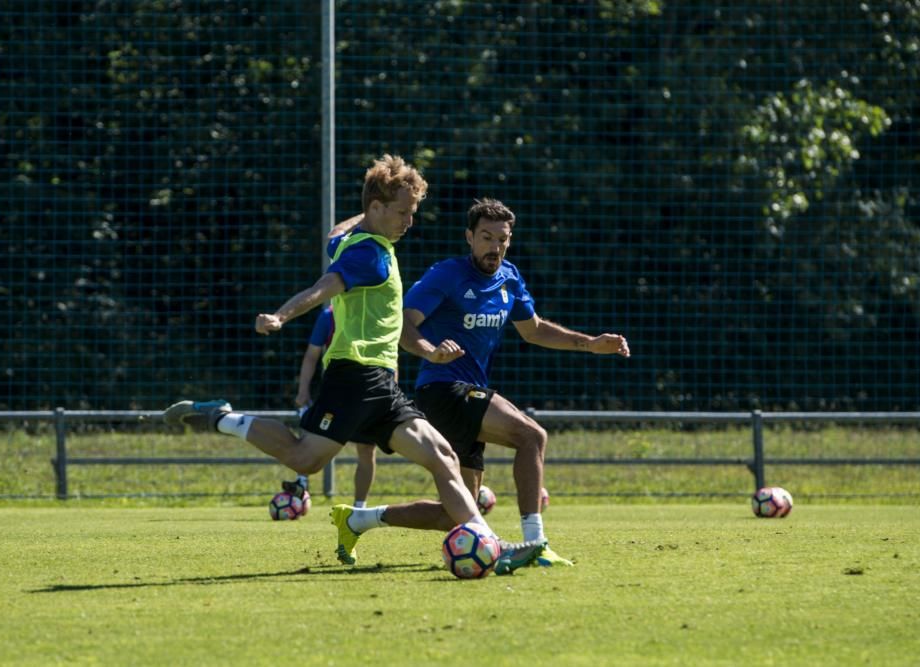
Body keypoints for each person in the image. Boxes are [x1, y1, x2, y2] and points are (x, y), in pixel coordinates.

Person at [163, 156, 542, 574]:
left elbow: (334, 233)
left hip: (383, 383)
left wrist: (370, 211)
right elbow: (322, 288)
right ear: (377, 209)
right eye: (402, 212)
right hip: (354, 376)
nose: (409, 222)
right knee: (305, 459)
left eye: (412, 213)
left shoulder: (351, 240)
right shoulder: (370, 257)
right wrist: (281, 316)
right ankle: (222, 417)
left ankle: (489, 543)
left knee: (443, 457)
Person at [338, 198, 630, 567]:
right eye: (487, 238)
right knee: (531, 436)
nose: (494, 247)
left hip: (467, 394)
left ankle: (357, 519)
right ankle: (535, 544)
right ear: (469, 237)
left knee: (457, 513)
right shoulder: (448, 274)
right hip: (443, 389)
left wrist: (588, 344)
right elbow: (403, 322)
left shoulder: (510, 278)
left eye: (502, 240)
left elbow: (535, 330)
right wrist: (429, 350)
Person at [293, 304, 377, 508]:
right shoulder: (328, 316)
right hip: (335, 393)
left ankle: (359, 508)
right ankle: (300, 486)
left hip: (368, 392)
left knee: (366, 449)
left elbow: (392, 359)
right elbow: (312, 356)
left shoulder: (376, 312)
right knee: (310, 438)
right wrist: (303, 390)